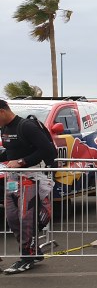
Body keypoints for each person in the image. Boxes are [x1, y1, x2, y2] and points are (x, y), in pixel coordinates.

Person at [0, 99, 57, 274]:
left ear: (2, 112)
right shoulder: (4, 129)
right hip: (12, 180)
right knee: (12, 218)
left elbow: (49, 151)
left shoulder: (26, 126)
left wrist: (22, 161)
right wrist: (8, 160)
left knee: (27, 219)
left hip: (31, 178)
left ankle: (27, 257)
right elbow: (11, 152)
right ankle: (33, 251)